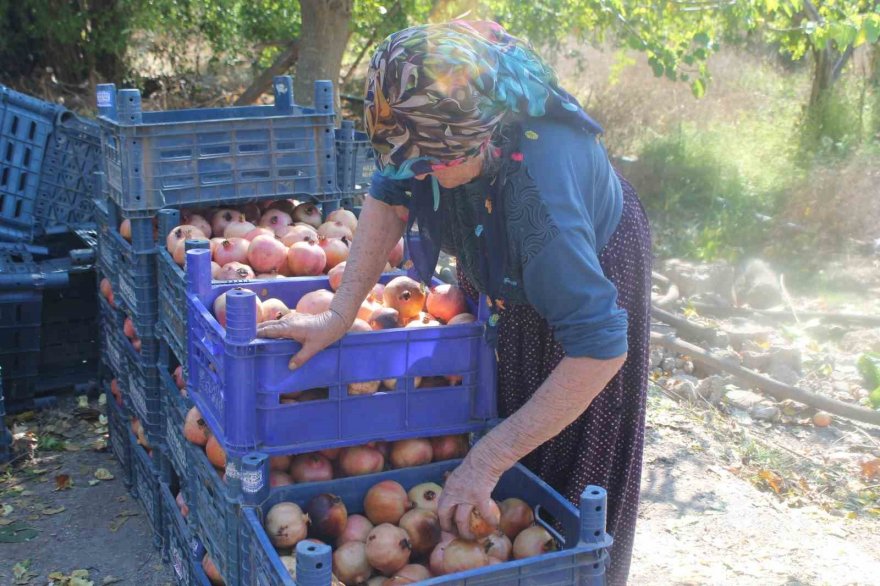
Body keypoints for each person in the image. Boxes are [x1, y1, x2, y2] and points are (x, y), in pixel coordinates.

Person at [258, 20, 652, 585]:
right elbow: (389, 196)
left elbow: (600, 347)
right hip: (507, 241)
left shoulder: (537, 206)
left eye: (432, 163)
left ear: (484, 136)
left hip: (591, 252)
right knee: (511, 397)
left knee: (577, 440)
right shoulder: (426, 115)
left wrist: (487, 460)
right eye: (412, 162)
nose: (420, 175)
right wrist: (339, 312)